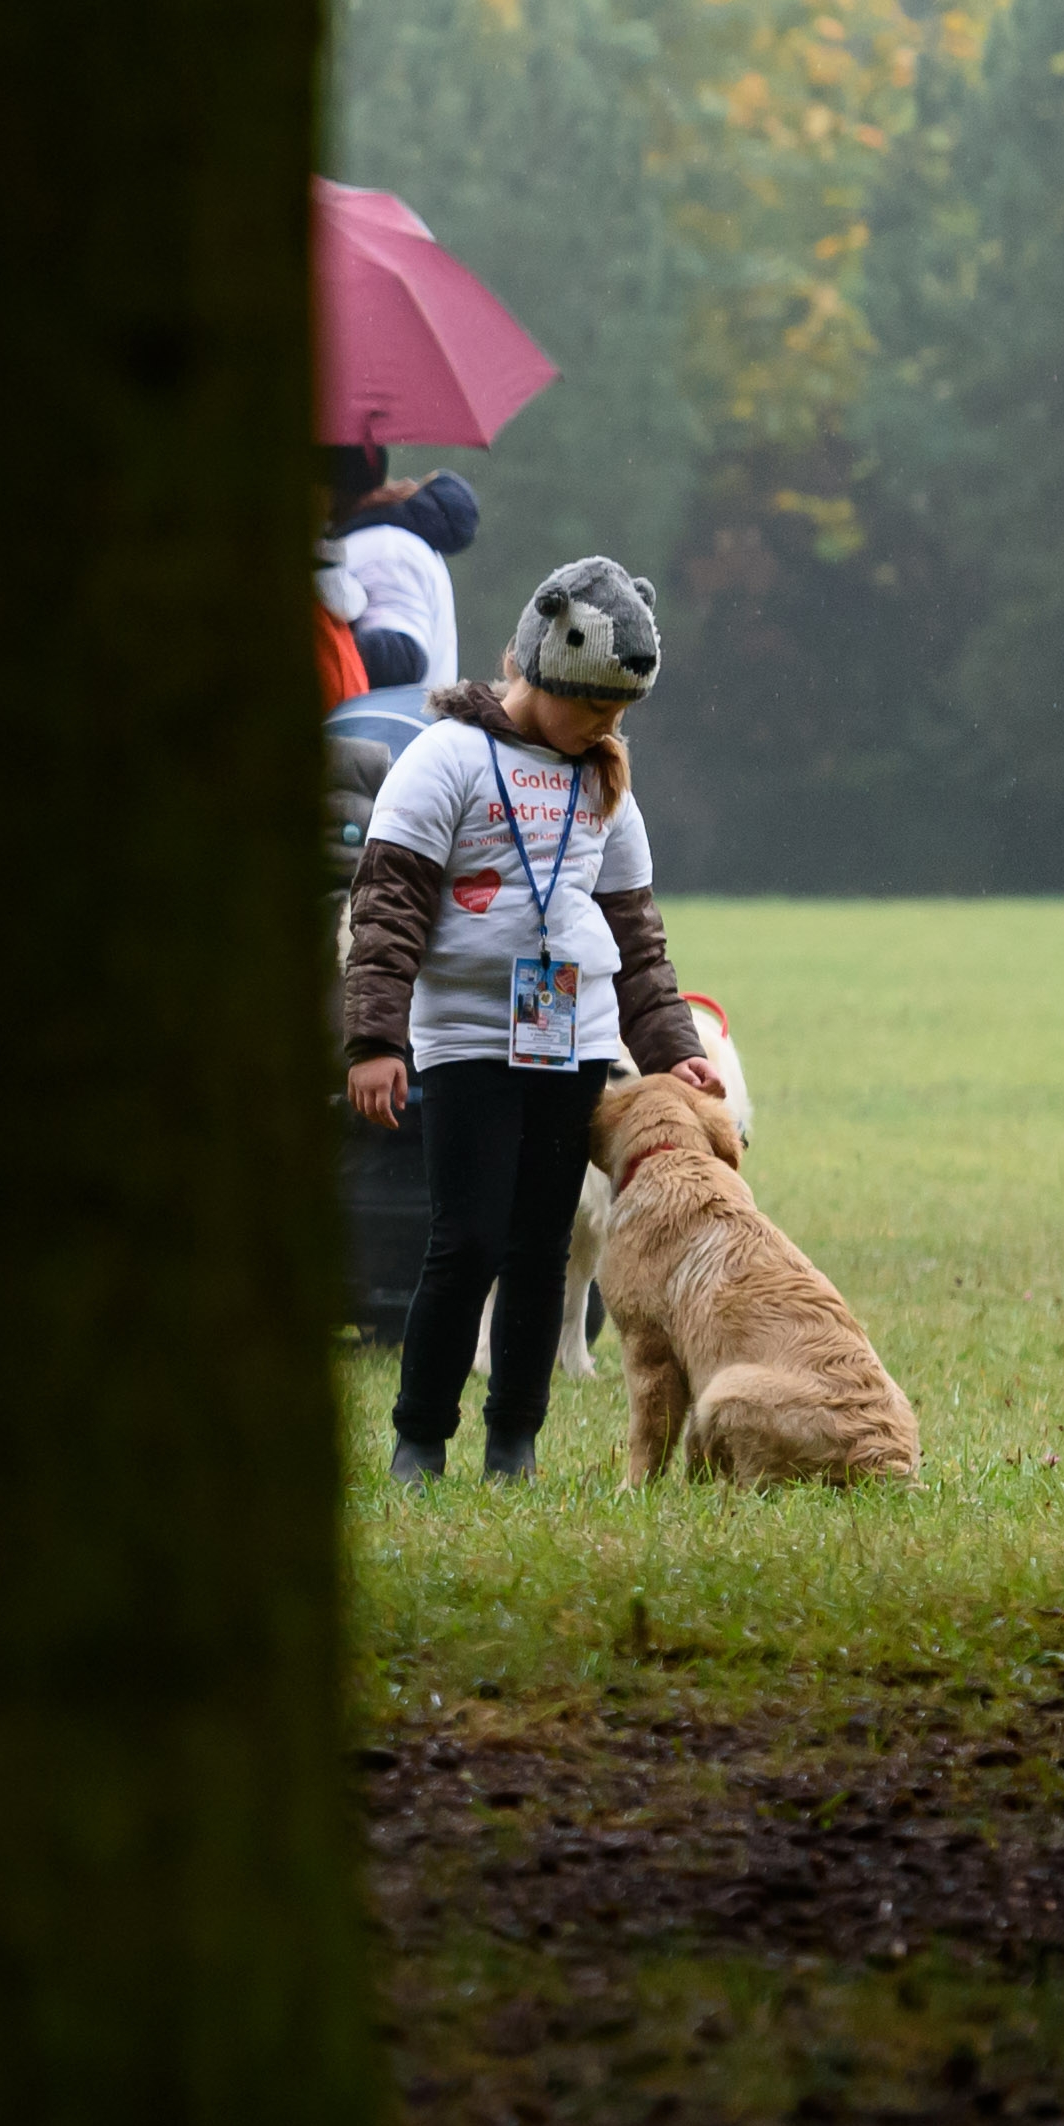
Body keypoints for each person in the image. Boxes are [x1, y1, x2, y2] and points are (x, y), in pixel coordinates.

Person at [338, 557, 712, 1479]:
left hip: (572, 1040)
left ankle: (516, 1442)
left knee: (541, 1249)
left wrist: (676, 1052)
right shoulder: (447, 759)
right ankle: (420, 1439)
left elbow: (636, 932)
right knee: (464, 1241)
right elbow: (386, 909)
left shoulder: (603, 780)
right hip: (464, 1039)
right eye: (593, 706)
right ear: (542, 668)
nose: (606, 727)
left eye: (619, 713)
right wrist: (377, 1040)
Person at [320, 446, 480, 690]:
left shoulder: (388, 547)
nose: (405, 481)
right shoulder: (389, 541)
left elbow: (399, 660)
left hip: (369, 725)